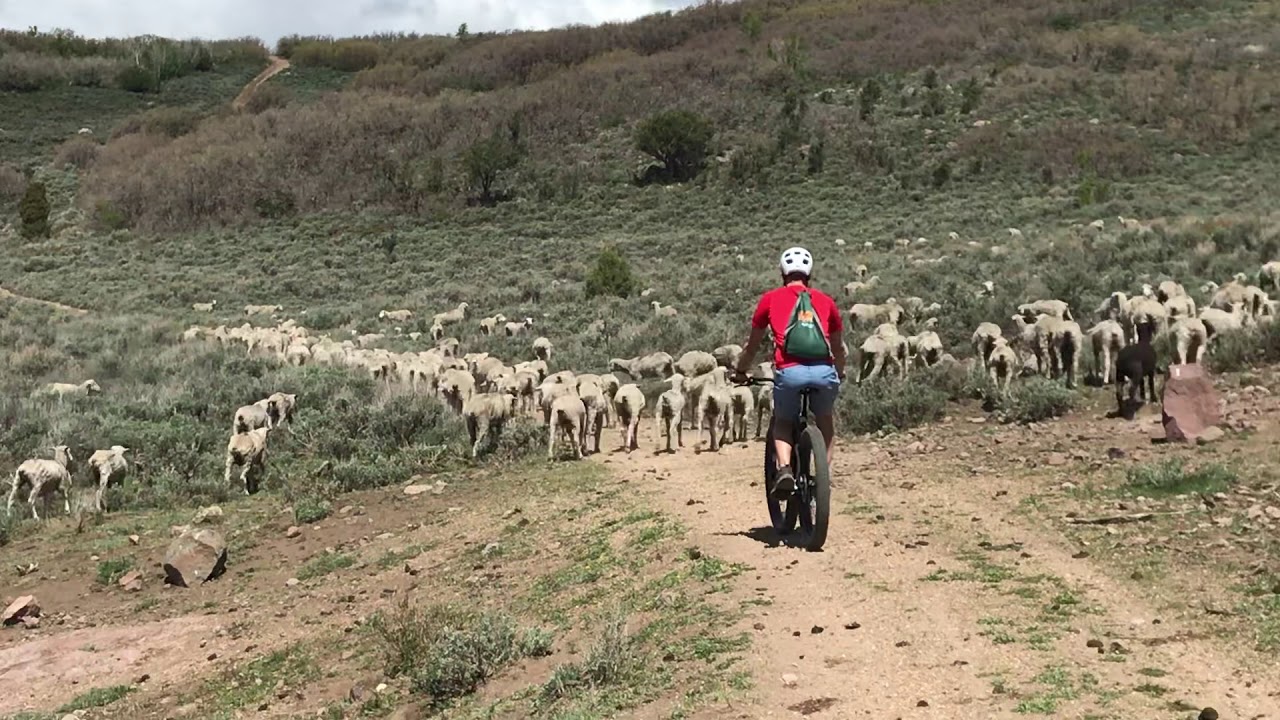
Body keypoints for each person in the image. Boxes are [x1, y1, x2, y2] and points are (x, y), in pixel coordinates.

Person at [731, 247, 845, 500]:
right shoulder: (826, 301)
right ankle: (822, 478)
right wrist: (839, 372)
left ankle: (784, 469)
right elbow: (838, 347)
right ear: (809, 274)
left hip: (789, 372)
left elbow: (752, 346)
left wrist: (740, 371)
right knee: (825, 418)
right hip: (824, 372)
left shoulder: (770, 299)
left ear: (782, 273)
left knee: (782, 421)